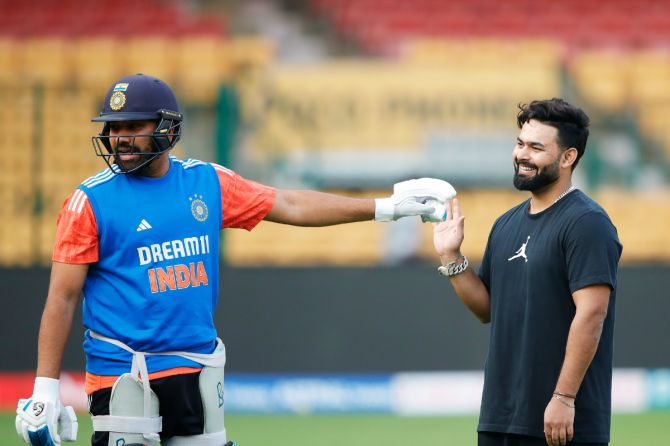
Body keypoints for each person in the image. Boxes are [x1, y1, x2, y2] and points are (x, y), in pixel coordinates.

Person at [15, 73, 456, 446]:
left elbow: (293, 205)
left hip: (198, 369)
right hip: (123, 376)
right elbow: (62, 298)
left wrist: (386, 207)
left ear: (167, 128)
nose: (118, 137)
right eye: (112, 127)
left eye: (133, 125)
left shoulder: (207, 182)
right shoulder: (88, 201)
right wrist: (45, 389)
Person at [432, 98, 622, 446]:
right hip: (500, 418)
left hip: (561, 422)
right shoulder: (505, 224)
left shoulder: (587, 223)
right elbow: (487, 309)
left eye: (536, 147)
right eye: (520, 143)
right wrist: (451, 256)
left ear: (568, 158)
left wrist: (564, 397)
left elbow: (592, 314)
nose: (522, 155)